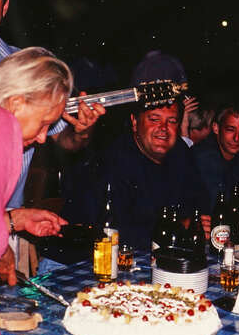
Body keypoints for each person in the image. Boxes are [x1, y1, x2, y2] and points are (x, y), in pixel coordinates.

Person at [0, 0, 105, 208]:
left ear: (5, 7)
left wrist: (81, 132)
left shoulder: (31, 67)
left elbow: (64, 139)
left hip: (14, 215)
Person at [0, 47, 73, 285]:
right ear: (16, 104)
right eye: (43, 123)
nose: (42, 138)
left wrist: (16, 219)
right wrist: (0, 250)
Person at [66, 98, 211, 250]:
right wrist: (177, 228)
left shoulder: (180, 152)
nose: (163, 128)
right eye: (154, 119)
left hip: (160, 254)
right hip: (87, 256)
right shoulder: (113, 160)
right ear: (135, 122)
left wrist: (200, 223)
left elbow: (201, 202)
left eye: (172, 121)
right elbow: (111, 232)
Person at [192, 104, 239, 210]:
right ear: (216, 128)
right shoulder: (203, 155)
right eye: (230, 129)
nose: (236, 138)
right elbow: (219, 204)